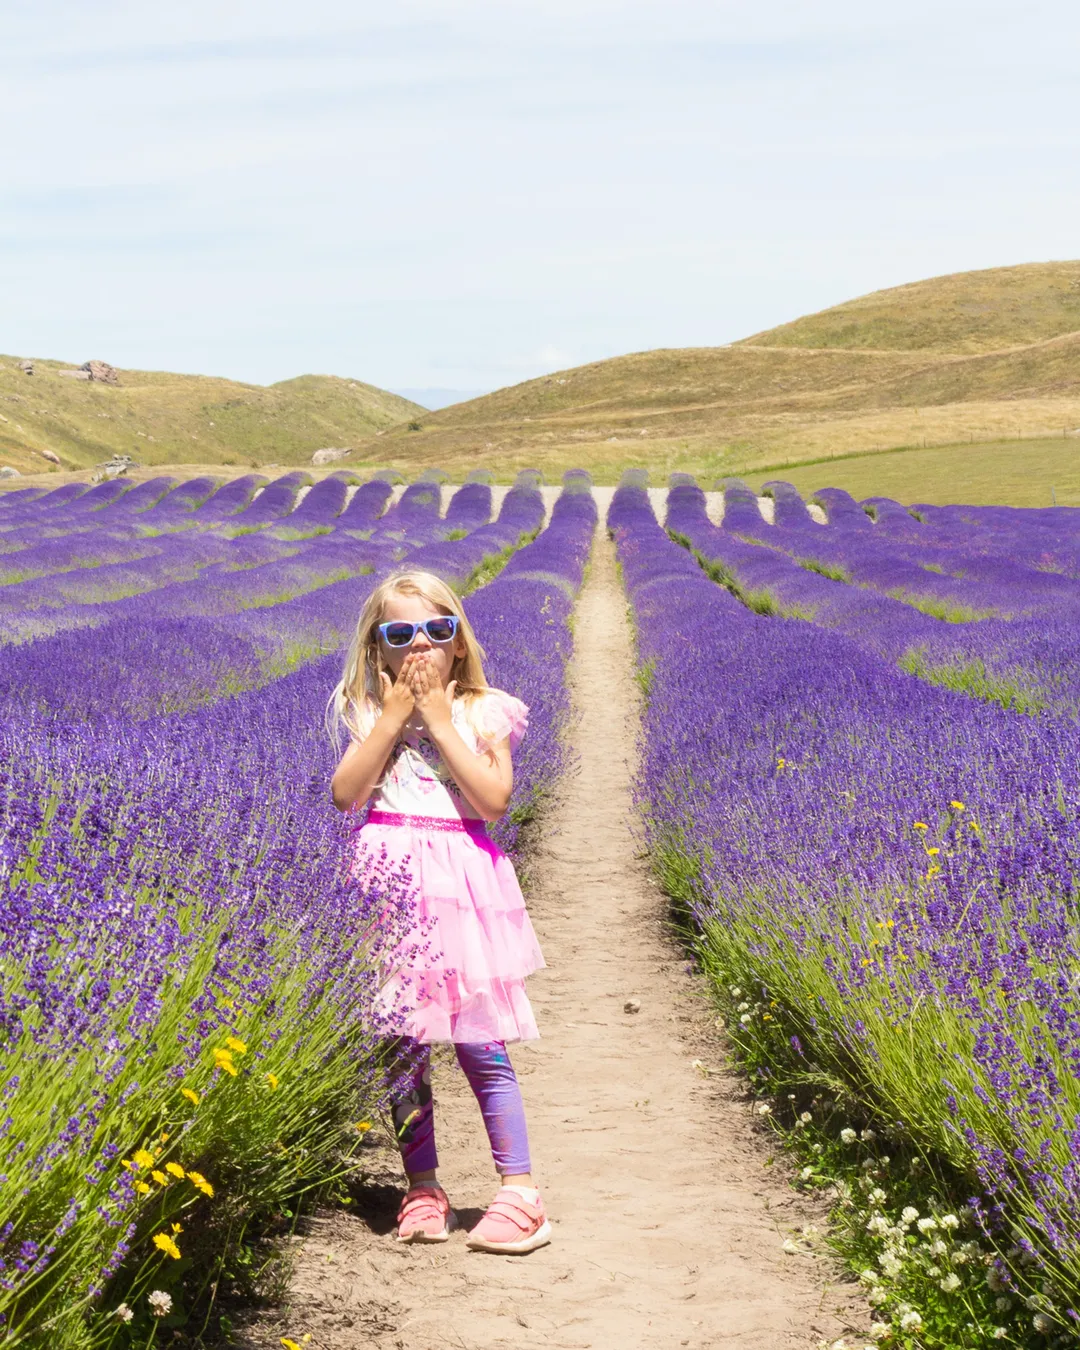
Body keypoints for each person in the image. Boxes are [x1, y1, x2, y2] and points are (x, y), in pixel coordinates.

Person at [329, 569, 551, 1255]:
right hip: (391, 888)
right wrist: (396, 717)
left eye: (437, 629)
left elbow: (491, 800)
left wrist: (436, 718)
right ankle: (421, 1186)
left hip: (464, 888)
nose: (420, 644)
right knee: (401, 1046)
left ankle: (520, 1193)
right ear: (378, 650)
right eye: (400, 634)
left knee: (481, 1042)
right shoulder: (366, 712)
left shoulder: (487, 710)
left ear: (459, 644)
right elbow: (346, 794)